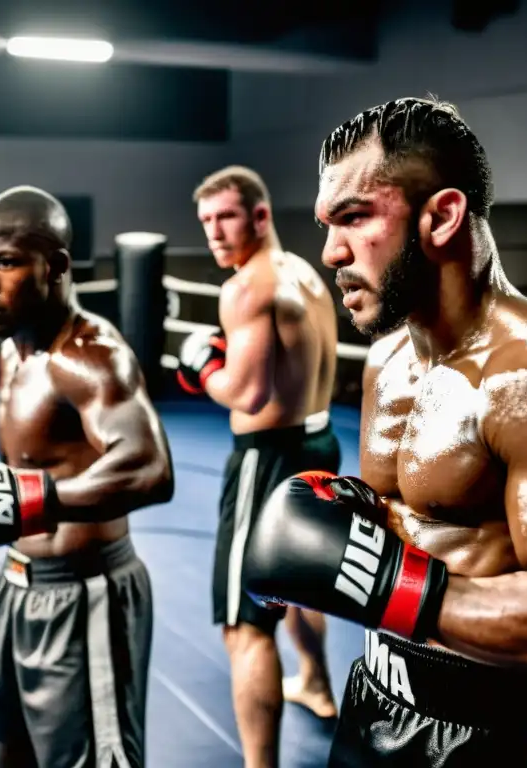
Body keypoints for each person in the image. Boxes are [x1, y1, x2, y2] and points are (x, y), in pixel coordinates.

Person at [241, 97, 527, 766]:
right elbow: (414, 521)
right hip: (377, 697)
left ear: (443, 217)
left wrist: (381, 585)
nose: (331, 249)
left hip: (499, 734)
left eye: (355, 217)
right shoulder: (387, 359)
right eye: (326, 223)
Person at [0, 185, 174, 767]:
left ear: (55, 266)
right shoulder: (14, 349)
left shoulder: (87, 356)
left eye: (4, 262)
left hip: (84, 595)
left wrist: (27, 502)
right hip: (17, 585)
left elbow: (150, 467)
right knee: (11, 747)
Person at [178, 165, 342, 767]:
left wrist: (200, 364)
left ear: (259, 215)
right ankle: (318, 684)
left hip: (265, 457)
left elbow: (244, 395)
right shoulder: (305, 273)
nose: (214, 232)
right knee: (299, 592)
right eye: (205, 222)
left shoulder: (247, 286)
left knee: (244, 626)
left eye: (225, 216)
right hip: (319, 446)